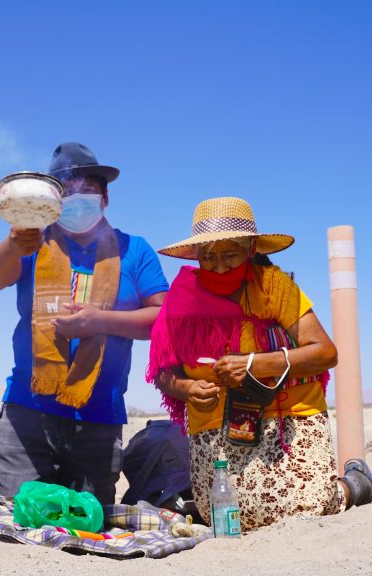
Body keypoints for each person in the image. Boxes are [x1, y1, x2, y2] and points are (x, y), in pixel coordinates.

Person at [147, 196, 372, 531]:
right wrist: (188, 387)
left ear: (251, 249)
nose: (219, 266)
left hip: (286, 419)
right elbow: (164, 372)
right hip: (214, 428)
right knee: (221, 516)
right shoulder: (182, 298)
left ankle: (353, 484)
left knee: (305, 508)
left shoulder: (274, 286)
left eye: (230, 254)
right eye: (209, 257)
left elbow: (325, 353)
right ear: (196, 256)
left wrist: (254, 364)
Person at [0, 142, 169, 504]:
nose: (77, 198)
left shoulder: (135, 250)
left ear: (105, 198)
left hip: (98, 418)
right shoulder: (32, 242)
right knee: (21, 521)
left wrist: (100, 321)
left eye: (88, 189)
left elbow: (163, 318)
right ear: (52, 200)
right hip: (27, 414)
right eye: (66, 190)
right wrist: (13, 243)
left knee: (88, 528)